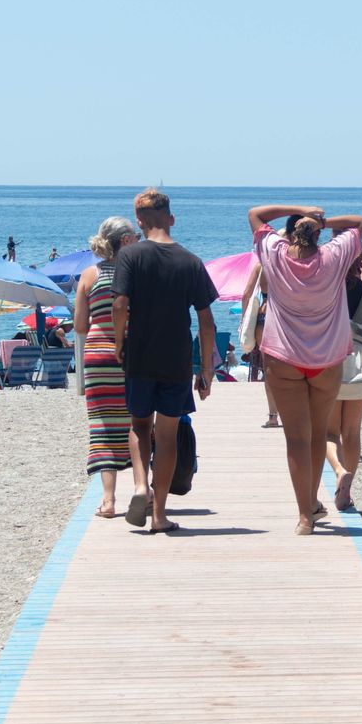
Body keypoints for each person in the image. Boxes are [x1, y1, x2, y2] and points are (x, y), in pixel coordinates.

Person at [248, 203, 362, 535]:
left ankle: (305, 515)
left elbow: (255, 214)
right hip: (327, 360)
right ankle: (312, 501)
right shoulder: (333, 256)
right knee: (317, 435)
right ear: (318, 234)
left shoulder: (275, 253)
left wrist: (298, 209)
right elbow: (359, 222)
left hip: (283, 358)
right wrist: (320, 220)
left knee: (296, 438)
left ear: (291, 233)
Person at [113, 189, 218, 534]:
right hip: (176, 360)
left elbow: (119, 305)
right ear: (171, 219)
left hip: (140, 354)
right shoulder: (190, 261)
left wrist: (118, 342)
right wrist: (206, 369)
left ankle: (140, 485)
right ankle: (159, 514)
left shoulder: (130, 256)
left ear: (140, 222)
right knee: (168, 436)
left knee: (139, 425)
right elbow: (206, 321)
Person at [75, 216, 140, 520]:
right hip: (130, 354)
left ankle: (109, 499)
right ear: (126, 240)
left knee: (102, 425)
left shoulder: (89, 276)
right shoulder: (136, 275)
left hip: (97, 357)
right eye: (136, 235)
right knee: (137, 422)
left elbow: (79, 325)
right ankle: (145, 490)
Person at [326, 251, 362, 511]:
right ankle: (345, 492)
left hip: (330, 367)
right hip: (360, 370)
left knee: (328, 432)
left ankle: (339, 472)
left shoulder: (325, 290)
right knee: (351, 431)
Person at [240, 260, 281, 428]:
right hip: (284, 317)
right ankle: (291, 412)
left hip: (264, 317)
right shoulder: (290, 263)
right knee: (289, 370)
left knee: (269, 370)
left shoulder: (261, 265)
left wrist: (244, 320)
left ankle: (272, 416)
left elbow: (246, 295)